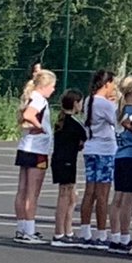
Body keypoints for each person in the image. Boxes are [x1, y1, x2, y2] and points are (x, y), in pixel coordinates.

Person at [14, 68, 56, 244]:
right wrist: (41, 127)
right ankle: (29, 231)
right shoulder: (39, 99)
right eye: (52, 86)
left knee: (22, 190)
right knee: (32, 193)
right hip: (37, 149)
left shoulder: (30, 97)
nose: (53, 90)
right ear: (44, 86)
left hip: (25, 147)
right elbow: (28, 115)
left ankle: (22, 228)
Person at [79, 70, 118, 250]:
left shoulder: (89, 100)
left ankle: (85, 231)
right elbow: (117, 123)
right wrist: (115, 105)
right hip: (105, 150)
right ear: (107, 83)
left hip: (91, 148)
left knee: (90, 191)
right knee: (103, 194)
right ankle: (101, 233)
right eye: (112, 83)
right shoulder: (105, 104)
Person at [110, 75, 132, 253]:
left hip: (119, 155)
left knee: (117, 199)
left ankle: (115, 237)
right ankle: (124, 236)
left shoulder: (119, 111)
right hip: (130, 156)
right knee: (127, 201)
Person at [49, 90, 84, 246]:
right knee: (64, 195)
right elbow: (83, 140)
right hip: (65, 162)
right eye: (80, 102)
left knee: (71, 197)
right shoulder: (72, 123)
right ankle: (59, 233)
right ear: (76, 103)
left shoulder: (62, 121)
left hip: (63, 160)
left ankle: (68, 230)